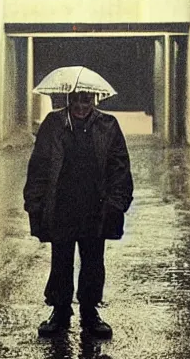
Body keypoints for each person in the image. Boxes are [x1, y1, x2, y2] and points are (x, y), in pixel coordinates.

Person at [24, 90, 133, 338]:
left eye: (86, 100)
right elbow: (39, 164)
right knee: (61, 259)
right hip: (61, 203)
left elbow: (119, 165)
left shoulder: (108, 125)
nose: (81, 106)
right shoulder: (54, 124)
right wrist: (35, 201)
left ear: (94, 101)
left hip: (95, 204)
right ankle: (60, 312)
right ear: (68, 100)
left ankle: (90, 312)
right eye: (76, 100)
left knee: (93, 259)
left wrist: (117, 202)